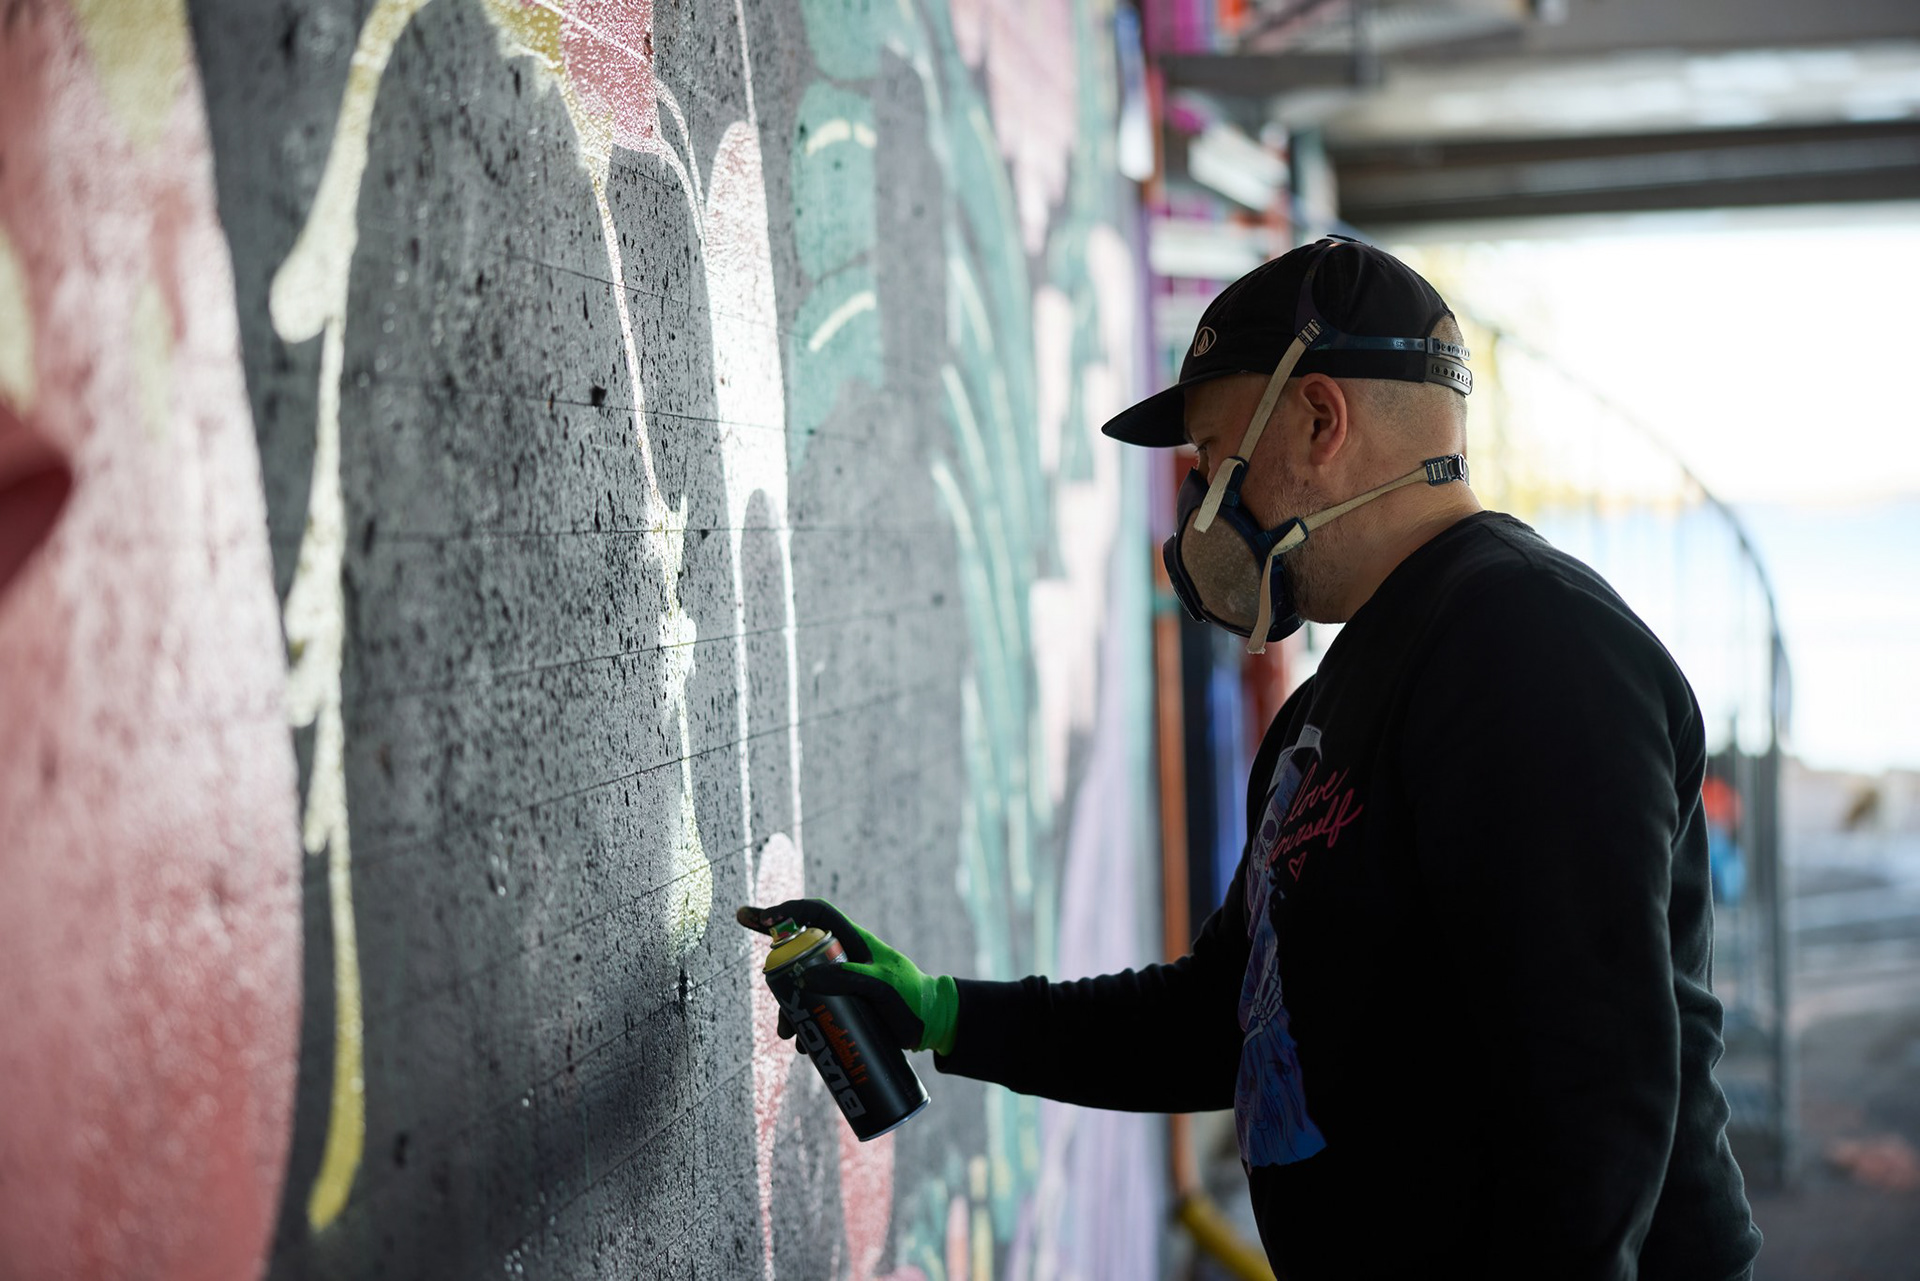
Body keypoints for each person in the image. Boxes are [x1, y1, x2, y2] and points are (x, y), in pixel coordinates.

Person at [740, 237, 1763, 1279]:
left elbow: (1594, 1087)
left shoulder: (1527, 643)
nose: (1198, 503)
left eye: (1213, 452)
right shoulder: (1336, 698)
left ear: (1319, 420)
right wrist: (945, 1013)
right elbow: (1228, 1018)